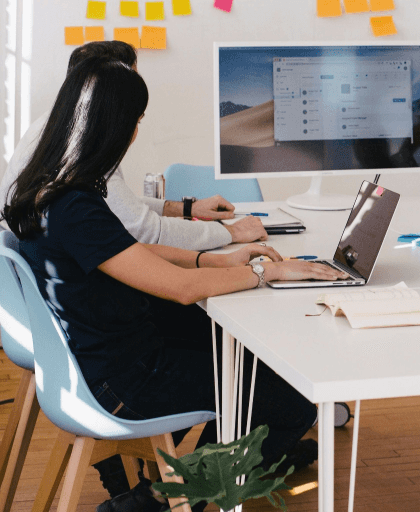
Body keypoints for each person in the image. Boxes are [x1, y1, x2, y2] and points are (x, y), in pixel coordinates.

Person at [1, 59, 349, 510]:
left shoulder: (47, 190)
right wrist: (268, 272)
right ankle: (163, 502)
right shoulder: (77, 205)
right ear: (114, 125)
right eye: (137, 120)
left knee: (236, 360)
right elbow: (181, 288)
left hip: (97, 361)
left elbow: (130, 254)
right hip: (122, 383)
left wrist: (216, 258)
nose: (137, 131)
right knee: (290, 399)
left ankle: (165, 485)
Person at [0, 41, 267, 250]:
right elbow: (145, 231)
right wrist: (230, 233)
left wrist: (186, 209)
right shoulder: (82, 147)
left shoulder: (54, 128)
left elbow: (112, 205)